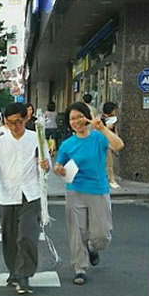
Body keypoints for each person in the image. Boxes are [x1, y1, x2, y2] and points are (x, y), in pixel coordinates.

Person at [0, 103, 50, 295]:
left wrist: (45, 164)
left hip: (30, 194)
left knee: (27, 236)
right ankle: (14, 271)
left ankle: (24, 275)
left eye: (18, 122)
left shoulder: (36, 138)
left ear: (26, 119)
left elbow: (46, 165)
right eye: (10, 123)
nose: (14, 127)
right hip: (7, 195)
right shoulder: (1, 142)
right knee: (10, 238)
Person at [53, 102, 124, 285]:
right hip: (75, 190)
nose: (76, 121)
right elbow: (58, 165)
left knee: (102, 235)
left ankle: (93, 248)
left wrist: (101, 128)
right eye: (72, 119)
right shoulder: (67, 144)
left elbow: (118, 145)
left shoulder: (99, 138)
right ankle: (80, 268)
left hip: (98, 190)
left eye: (79, 117)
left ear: (86, 117)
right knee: (77, 232)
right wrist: (59, 169)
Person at [102, 102, 120, 189]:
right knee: (109, 163)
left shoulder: (105, 119)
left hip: (110, 143)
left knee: (109, 162)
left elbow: (115, 131)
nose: (115, 111)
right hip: (105, 143)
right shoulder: (104, 120)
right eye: (114, 109)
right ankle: (112, 180)